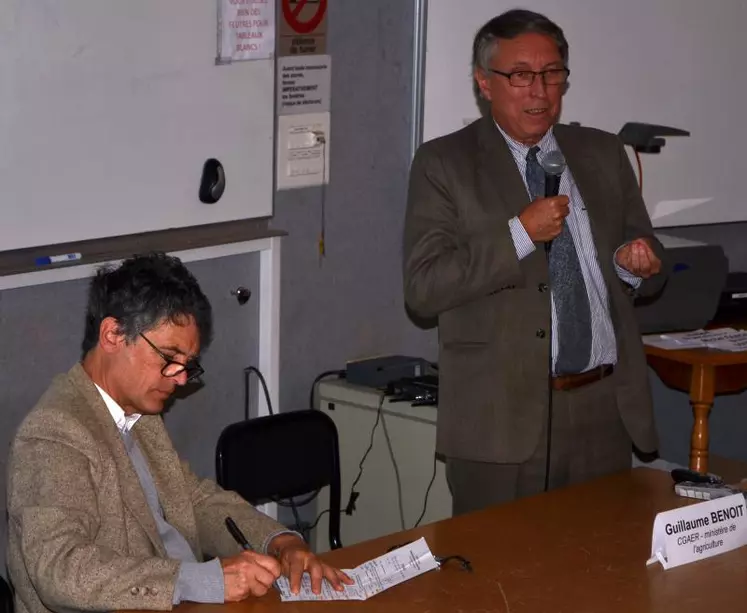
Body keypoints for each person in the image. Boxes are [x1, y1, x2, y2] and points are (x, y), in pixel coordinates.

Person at [403, 9, 666, 516]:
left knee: (600, 578)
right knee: (501, 584)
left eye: (552, 75)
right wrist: (520, 233)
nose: (541, 92)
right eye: (521, 75)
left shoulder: (602, 153)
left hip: (602, 407)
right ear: (484, 82)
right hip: (500, 420)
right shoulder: (444, 164)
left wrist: (636, 264)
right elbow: (425, 287)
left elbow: (641, 251)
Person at [6, 252, 352, 613]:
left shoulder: (139, 412)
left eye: (189, 365)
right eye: (169, 358)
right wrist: (201, 580)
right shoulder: (54, 431)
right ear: (112, 334)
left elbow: (195, 501)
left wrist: (280, 542)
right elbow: (62, 569)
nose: (182, 378)